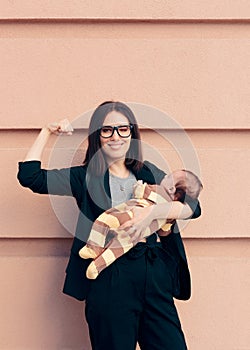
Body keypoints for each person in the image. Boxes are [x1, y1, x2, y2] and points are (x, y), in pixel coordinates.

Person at [17, 101, 201, 350]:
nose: (116, 136)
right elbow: (30, 177)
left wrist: (153, 213)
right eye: (107, 130)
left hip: (153, 274)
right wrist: (47, 132)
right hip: (109, 279)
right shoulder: (83, 177)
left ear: (132, 134)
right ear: (98, 137)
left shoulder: (149, 173)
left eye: (123, 129)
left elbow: (192, 207)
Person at [79, 170, 203, 279]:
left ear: (172, 189)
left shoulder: (145, 170)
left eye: (168, 177)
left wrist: (151, 212)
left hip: (145, 263)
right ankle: (96, 264)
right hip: (114, 271)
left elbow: (194, 207)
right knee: (115, 247)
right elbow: (166, 228)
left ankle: (94, 252)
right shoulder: (87, 173)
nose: (164, 177)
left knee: (106, 221)